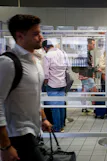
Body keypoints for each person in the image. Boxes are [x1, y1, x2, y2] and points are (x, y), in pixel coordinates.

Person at [0, 14, 52, 161]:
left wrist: (43, 118)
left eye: (40, 32)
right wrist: (5, 146)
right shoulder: (7, 62)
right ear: (20, 36)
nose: (41, 37)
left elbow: (34, 95)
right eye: (35, 34)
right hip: (17, 135)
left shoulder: (35, 61)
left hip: (33, 132)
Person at [42, 40, 68, 132]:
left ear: (45, 48)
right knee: (61, 106)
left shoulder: (47, 55)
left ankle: (56, 127)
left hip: (52, 84)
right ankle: (61, 126)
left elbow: (45, 73)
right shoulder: (62, 53)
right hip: (62, 83)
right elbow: (67, 66)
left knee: (55, 107)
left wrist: (45, 82)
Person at [78, 38, 98, 114]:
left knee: (85, 90)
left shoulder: (86, 52)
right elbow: (88, 66)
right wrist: (95, 69)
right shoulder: (85, 53)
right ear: (88, 44)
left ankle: (84, 107)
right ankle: (95, 107)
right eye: (93, 44)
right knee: (94, 90)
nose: (94, 46)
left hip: (85, 75)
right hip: (86, 75)